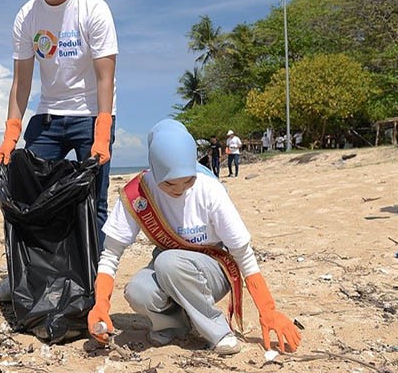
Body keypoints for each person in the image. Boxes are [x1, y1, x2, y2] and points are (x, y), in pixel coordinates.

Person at [87, 119, 301, 355]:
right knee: (138, 290)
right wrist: (101, 305)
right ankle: (172, 325)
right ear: (154, 170)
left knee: (168, 262)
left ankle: (218, 332)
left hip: (213, 268)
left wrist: (268, 310)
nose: (179, 190)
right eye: (169, 184)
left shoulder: (209, 189)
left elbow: (243, 255)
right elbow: (111, 254)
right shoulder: (138, 193)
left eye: (188, 180)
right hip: (169, 268)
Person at [0, 0, 118, 304]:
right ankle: (25, 278)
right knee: (28, 196)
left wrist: (102, 130)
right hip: (48, 116)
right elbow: (21, 81)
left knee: (94, 202)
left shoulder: (93, 8)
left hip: (91, 115)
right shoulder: (27, 17)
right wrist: (11, 132)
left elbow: (105, 76)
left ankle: (93, 283)